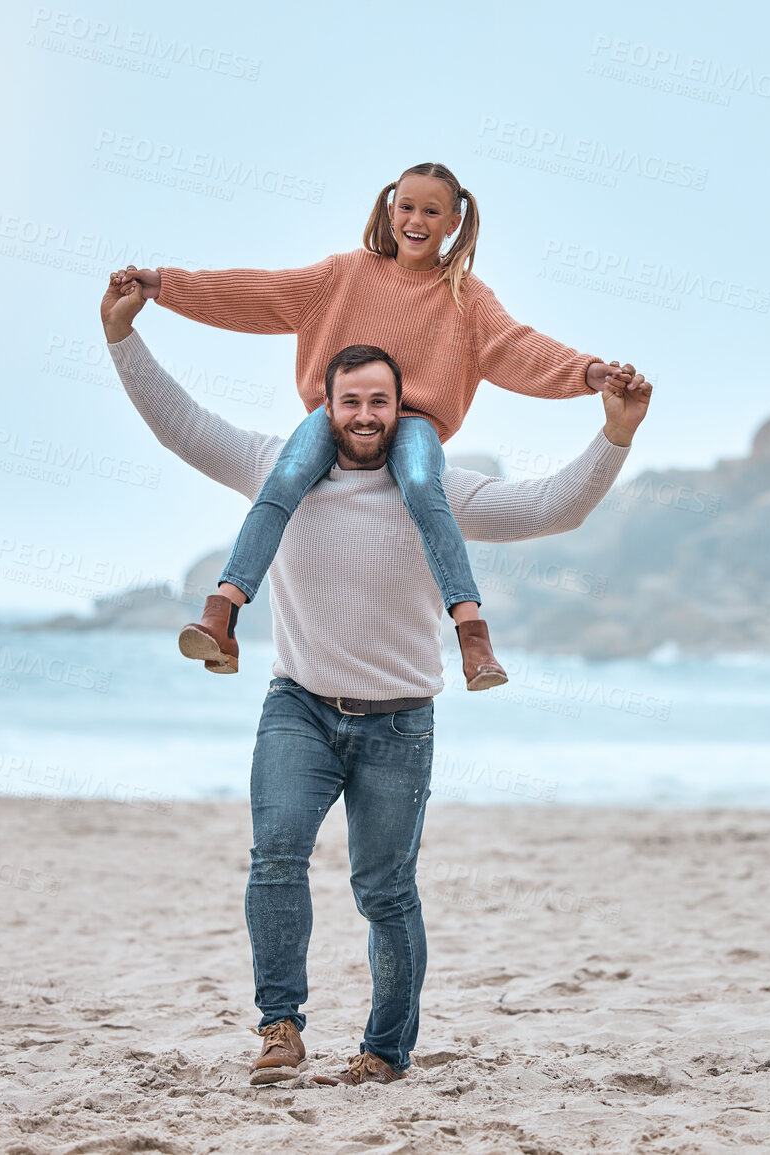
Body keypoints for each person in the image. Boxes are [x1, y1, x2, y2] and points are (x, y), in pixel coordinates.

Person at [99, 273, 652, 1086]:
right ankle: (280, 1025)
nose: (364, 416)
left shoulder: (437, 490)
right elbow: (180, 425)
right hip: (299, 707)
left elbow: (547, 509)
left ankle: (384, 1050)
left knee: (385, 892)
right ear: (326, 407)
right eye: (349, 402)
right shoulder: (272, 467)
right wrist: (122, 335)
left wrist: (614, 434)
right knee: (276, 858)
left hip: (399, 722)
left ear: (403, 411)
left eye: (379, 404)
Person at [111, 161, 642, 692]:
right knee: (284, 478)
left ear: (454, 221)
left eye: (432, 211)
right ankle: (222, 612)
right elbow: (258, 293)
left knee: (419, 485)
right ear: (390, 210)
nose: (417, 220)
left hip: (415, 427)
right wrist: (164, 287)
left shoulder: (466, 298)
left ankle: (472, 634)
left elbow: (517, 348)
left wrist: (588, 374)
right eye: (407, 207)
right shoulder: (342, 276)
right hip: (328, 416)